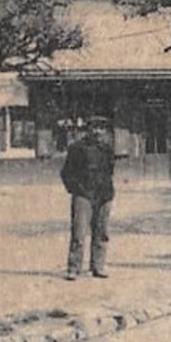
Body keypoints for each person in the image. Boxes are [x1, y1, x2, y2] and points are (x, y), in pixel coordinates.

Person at [60, 117, 115, 280]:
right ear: (88, 130)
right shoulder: (77, 148)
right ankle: (74, 268)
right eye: (95, 128)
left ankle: (98, 266)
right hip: (83, 195)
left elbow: (110, 170)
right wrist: (76, 190)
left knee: (102, 231)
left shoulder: (107, 149)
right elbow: (66, 173)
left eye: (101, 128)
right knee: (79, 232)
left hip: (103, 195)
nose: (98, 132)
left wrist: (107, 191)